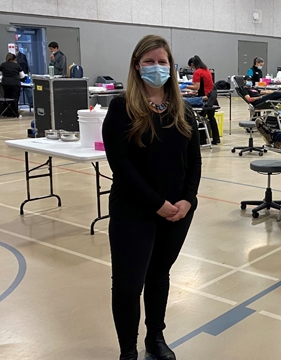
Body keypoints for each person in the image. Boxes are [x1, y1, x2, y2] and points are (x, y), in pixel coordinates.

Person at [102, 34, 201, 360]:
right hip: (135, 209)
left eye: (162, 62)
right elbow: (122, 167)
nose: (157, 67)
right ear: (136, 66)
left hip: (177, 211)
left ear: (171, 67)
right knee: (129, 284)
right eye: (150, 61)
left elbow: (194, 162)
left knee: (159, 275)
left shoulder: (183, 110)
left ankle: (154, 338)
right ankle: (128, 350)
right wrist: (156, 204)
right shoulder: (121, 109)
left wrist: (187, 199)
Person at [187, 55, 219, 144]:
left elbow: (196, 87)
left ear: (193, 64)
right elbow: (206, 86)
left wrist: (185, 86)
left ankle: (202, 140)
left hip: (204, 99)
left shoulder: (198, 72)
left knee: (200, 118)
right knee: (211, 118)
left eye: (191, 67)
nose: (191, 69)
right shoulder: (207, 70)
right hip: (211, 97)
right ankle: (216, 139)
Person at [0, 53, 26, 117]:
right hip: (15, 83)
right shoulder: (17, 66)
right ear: (14, 59)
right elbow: (22, 76)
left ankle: (7, 113)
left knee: (7, 98)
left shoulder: (2, 65)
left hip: (5, 84)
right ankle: (15, 113)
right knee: (15, 99)